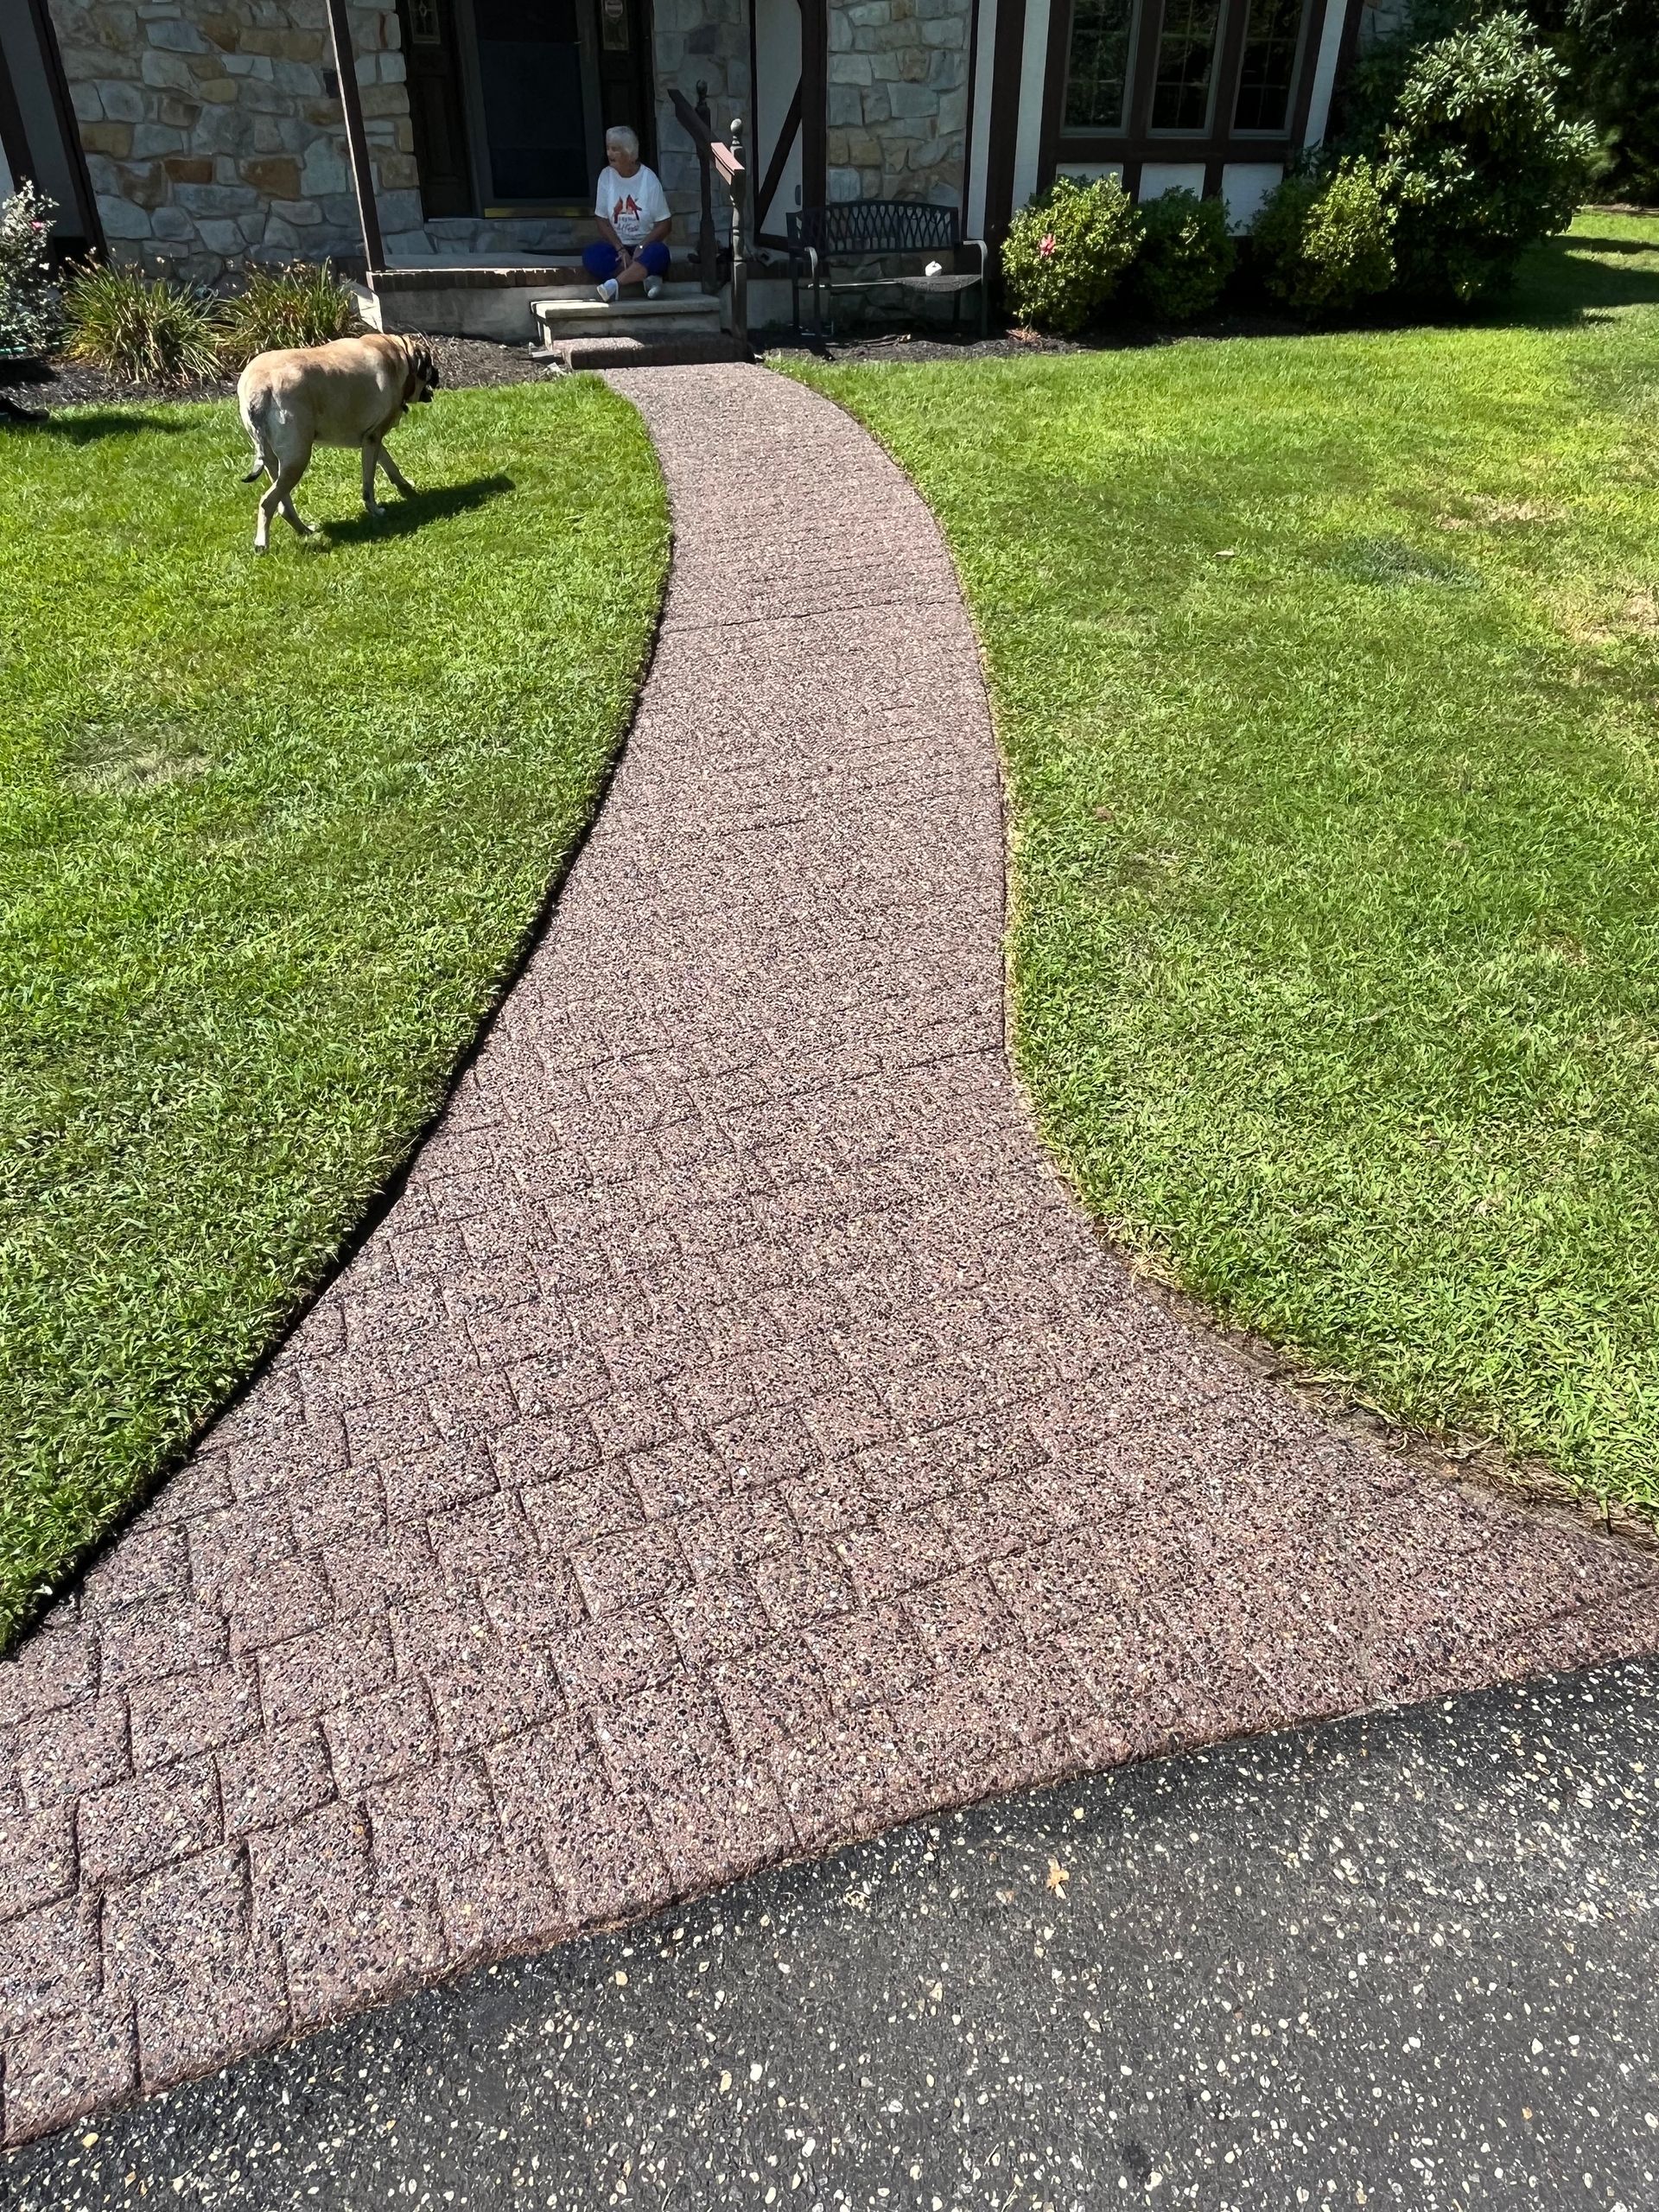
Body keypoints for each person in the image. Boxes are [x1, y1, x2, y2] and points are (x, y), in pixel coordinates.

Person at [583, 126, 671, 303]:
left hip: (645, 247)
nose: (609, 153)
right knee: (592, 255)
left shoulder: (649, 179)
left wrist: (642, 247)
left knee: (660, 253)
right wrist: (619, 248)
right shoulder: (606, 177)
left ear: (629, 153)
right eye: (608, 148)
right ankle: (645, 275)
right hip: (618, 249)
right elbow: (601, 219)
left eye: (615, 149)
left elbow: (665, 224)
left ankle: (615, 284)